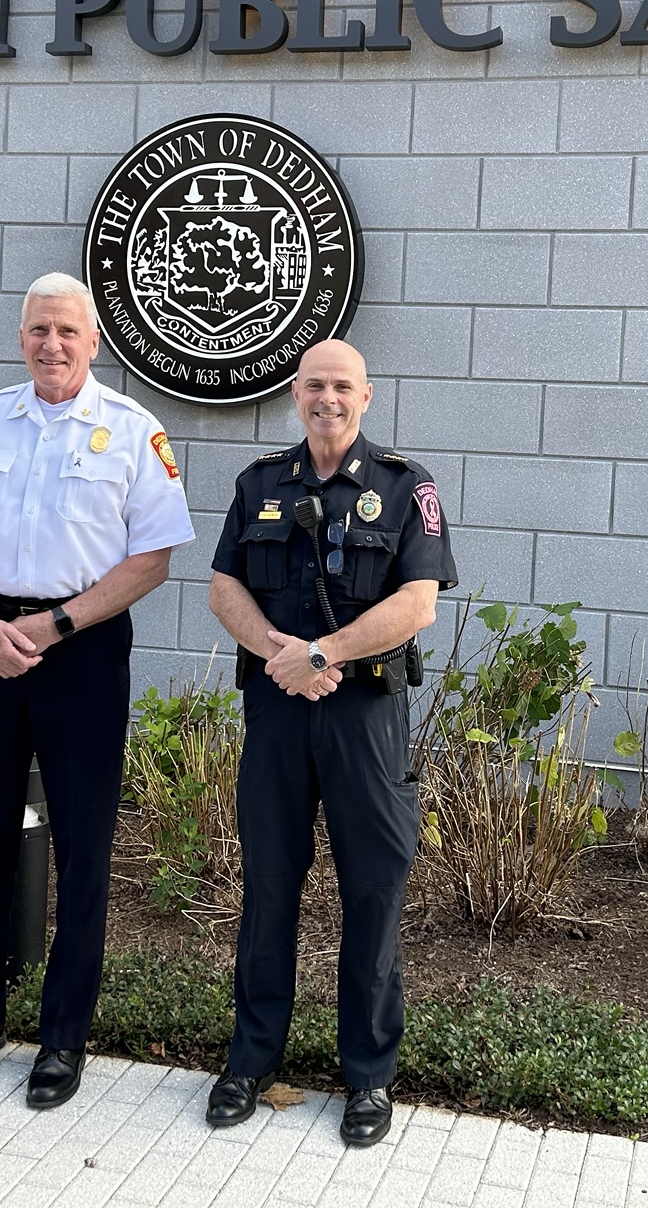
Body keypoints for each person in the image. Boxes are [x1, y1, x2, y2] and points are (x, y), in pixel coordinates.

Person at [0, 271, 194, 1108]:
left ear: (93, 342)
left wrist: (58, 624)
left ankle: (64, 1036)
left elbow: (152, 559)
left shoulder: (134, 432)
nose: (52, 344)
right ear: (21, 336)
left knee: (83, 848)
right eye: (39, 330)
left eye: (68, 331)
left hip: (82, 656)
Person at [203, 339, 457, 1147]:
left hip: (364, 716)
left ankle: (369, 1076)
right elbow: (224, 586)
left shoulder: (406, 486)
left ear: (366, 396)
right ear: (296, 393)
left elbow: (418, 602)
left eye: (342, 386)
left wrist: (323, 654)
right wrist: (281, 654)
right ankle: (250, 1061)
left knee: (373, 893)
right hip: (277, 712)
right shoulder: (259, 483)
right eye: (314, 385)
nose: (328, 398)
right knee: (268, 886)